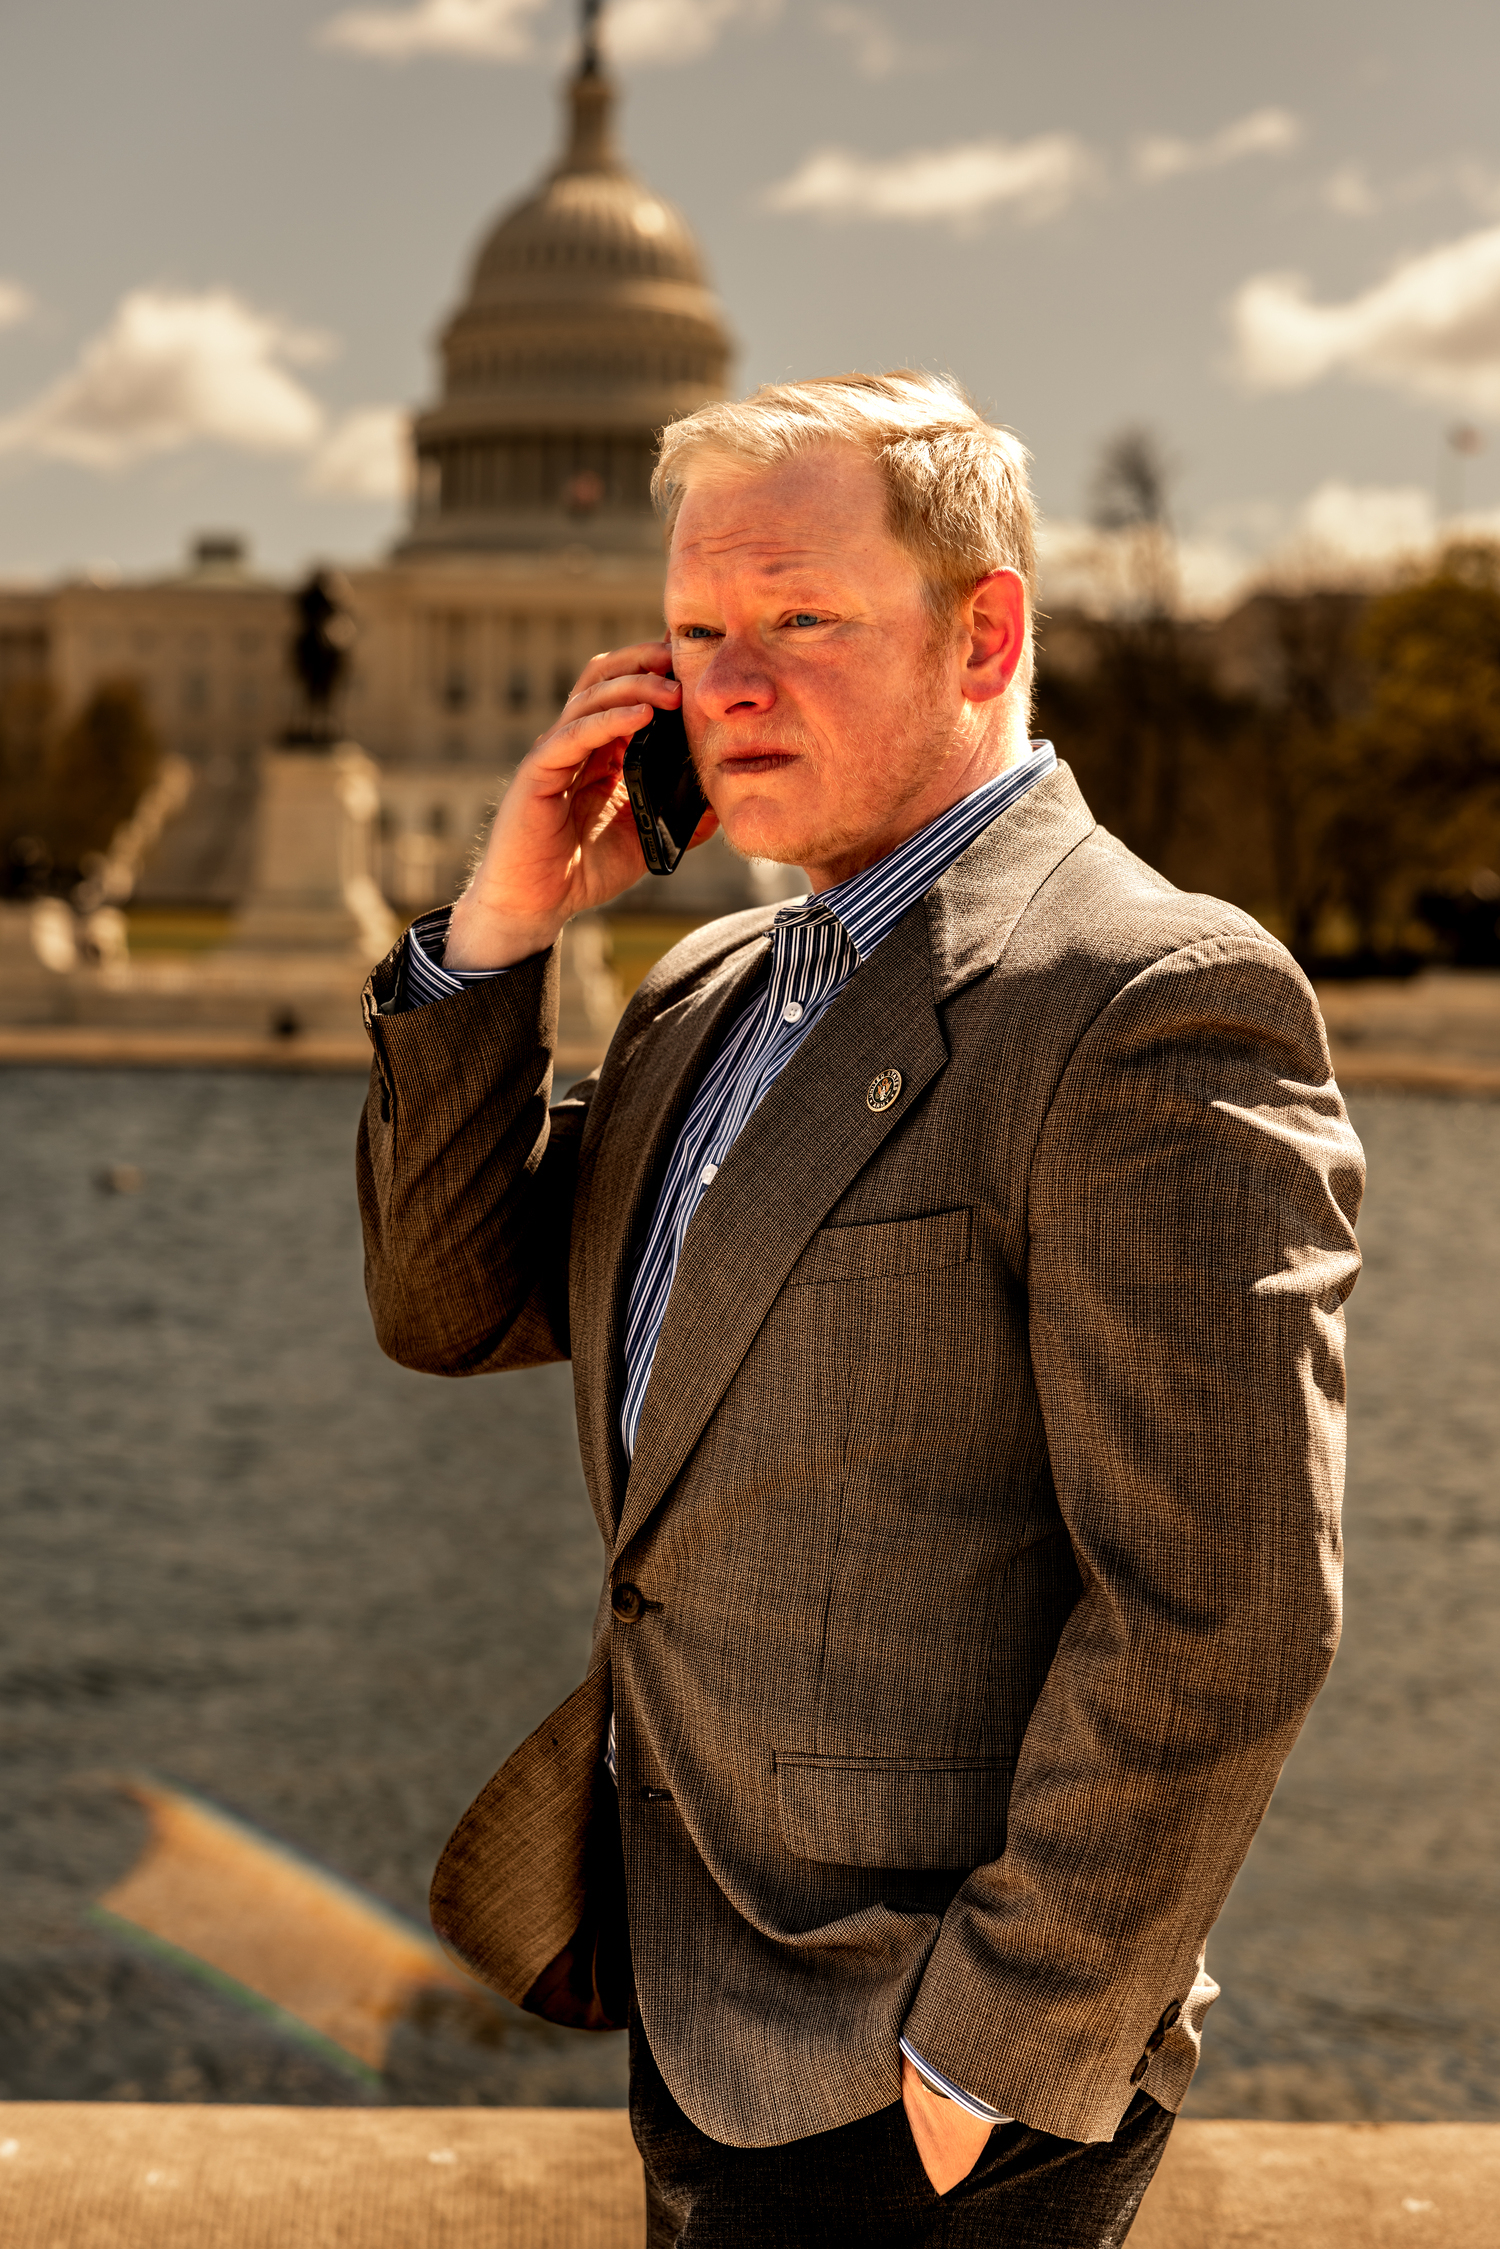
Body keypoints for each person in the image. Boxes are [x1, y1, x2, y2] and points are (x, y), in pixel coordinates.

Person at [357, 371, 1364, 2247]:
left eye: (799, 621)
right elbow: (445, 1300)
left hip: (933, 2070)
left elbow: (1229, 1608)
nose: (726, 683)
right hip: (692, 1995)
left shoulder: (1152, 998)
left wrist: (991, 2052)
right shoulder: (707, 996)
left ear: (982, 629)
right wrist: (504, 927)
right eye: (693, 632)